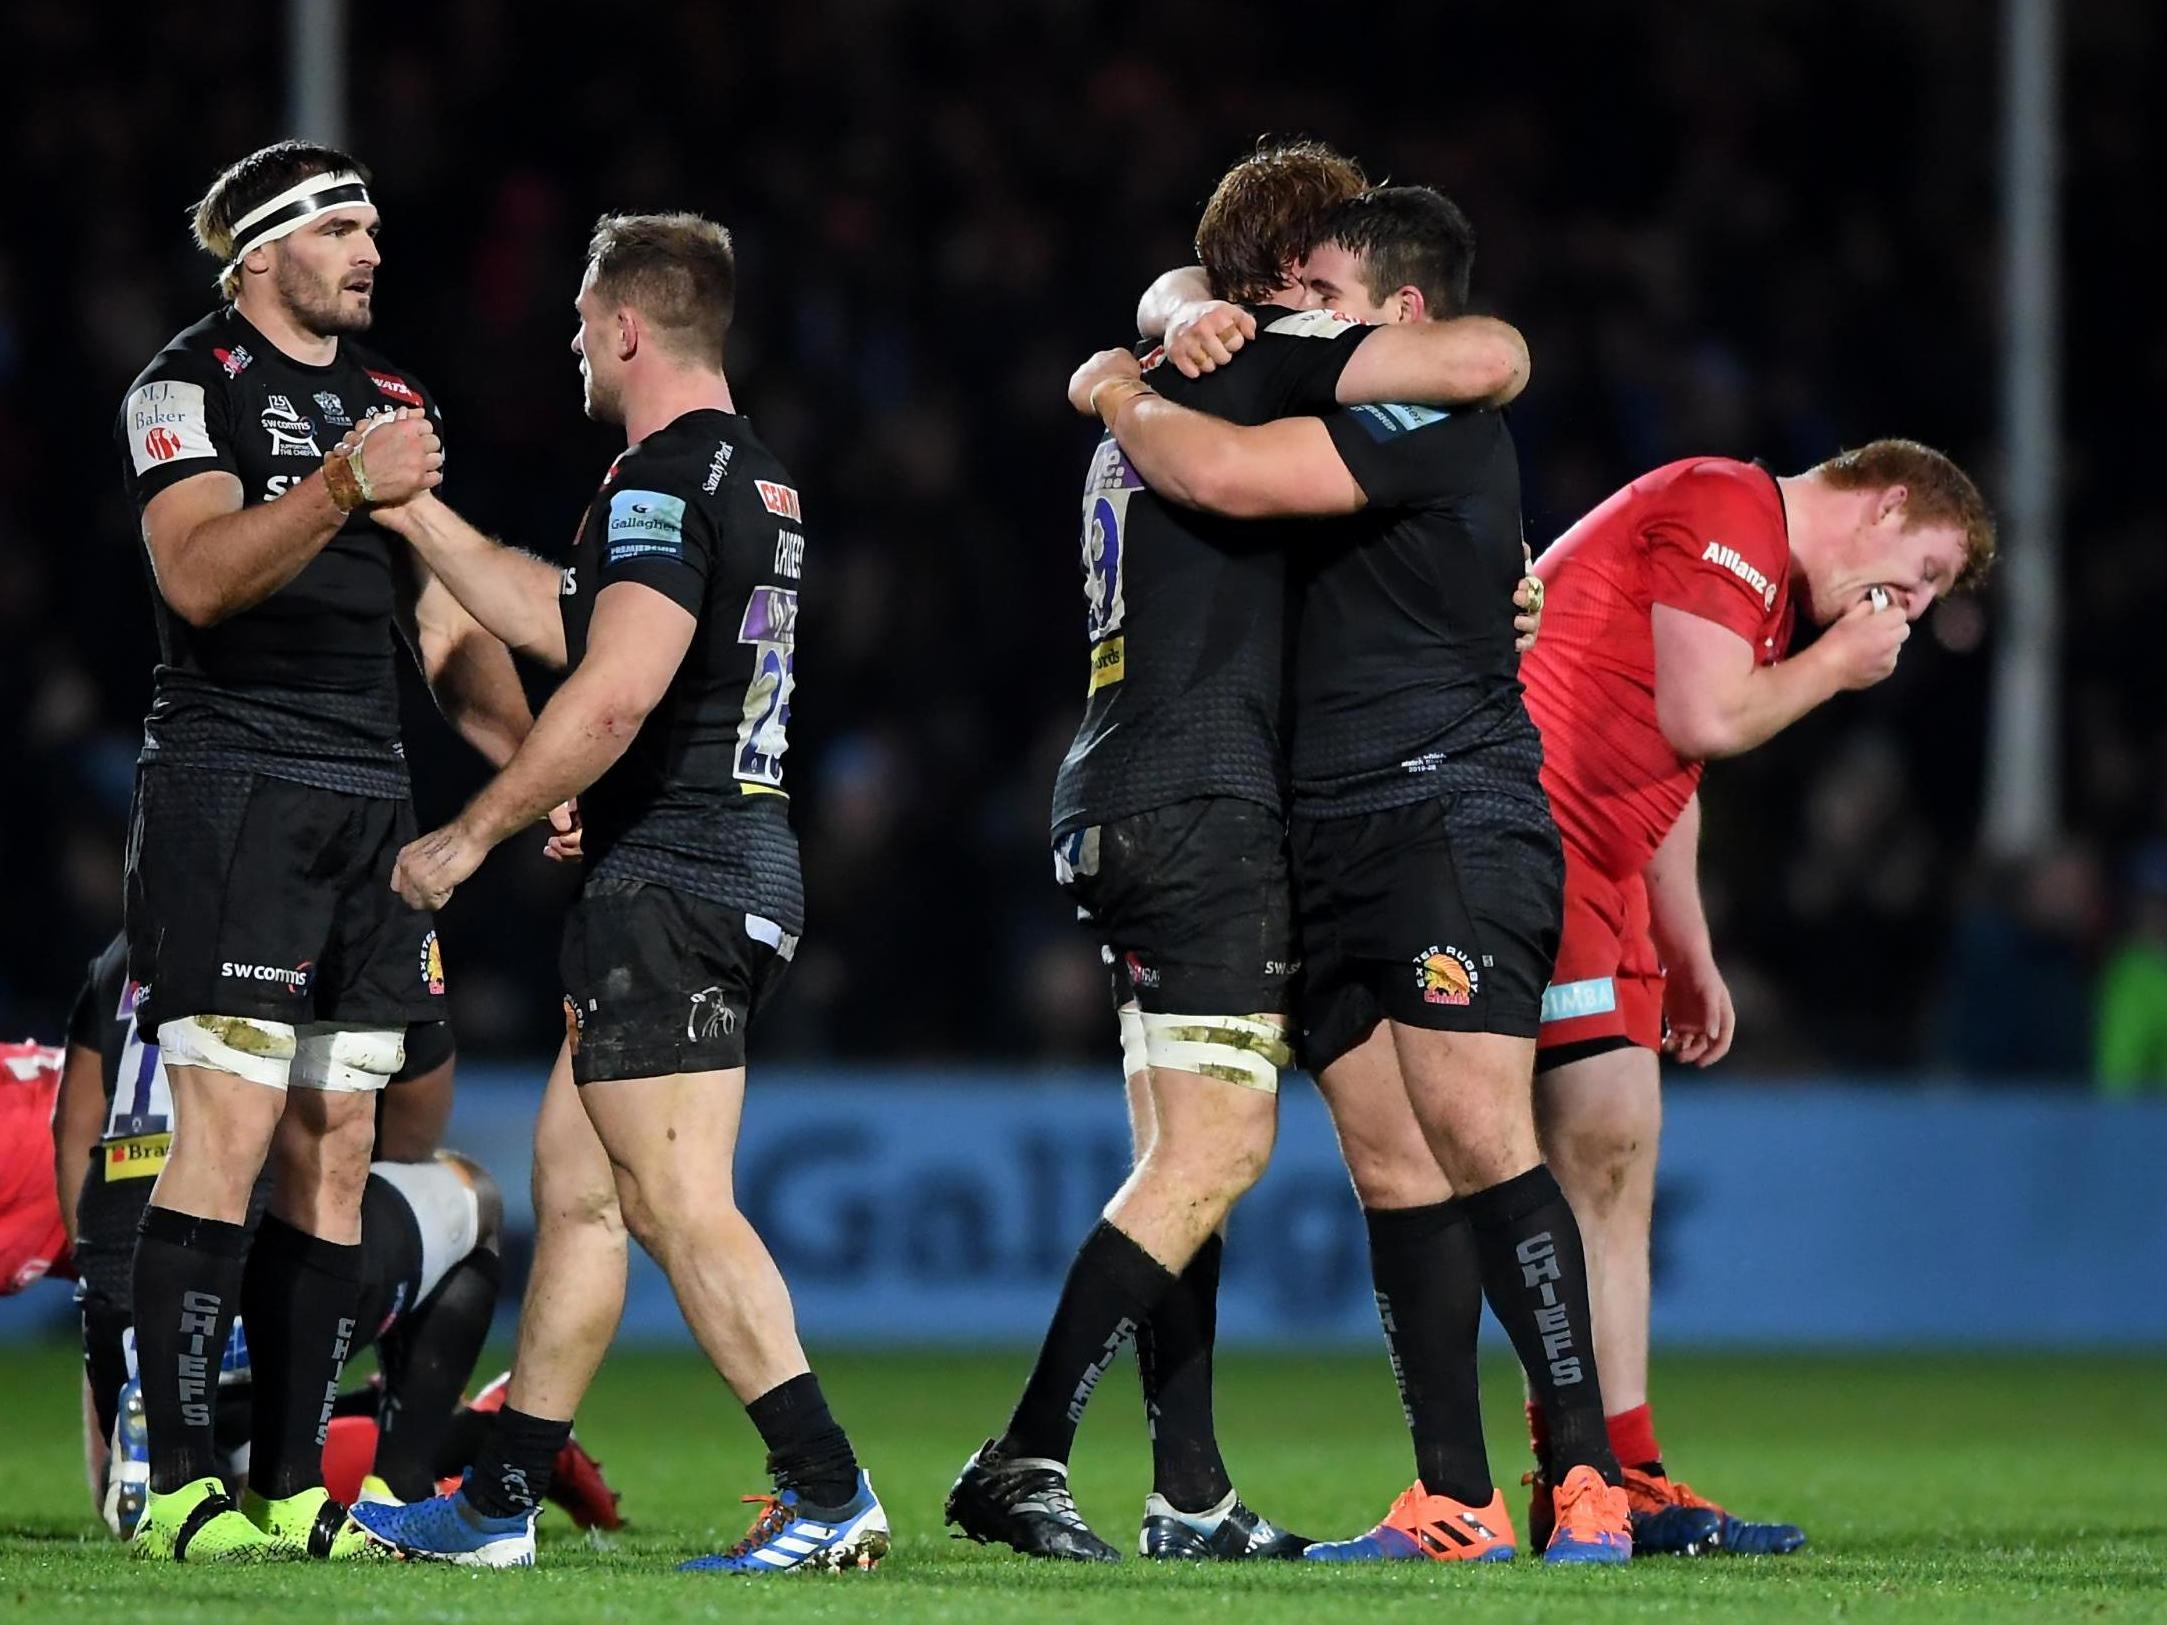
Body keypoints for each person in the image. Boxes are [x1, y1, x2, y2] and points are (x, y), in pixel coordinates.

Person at [944, 143, 1540, 1565]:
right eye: (1328, 275)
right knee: (1216, 1150)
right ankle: (1021, 1455)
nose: (1347, 307)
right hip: (1204, 800)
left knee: (1176, 1159)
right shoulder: (1254, 360)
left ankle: (1189, 1488)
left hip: (1113, 785)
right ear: (1287, 283)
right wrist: (1144, 345)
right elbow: (1484, 360)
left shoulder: (1173, 368)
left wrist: (1129, 348)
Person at [1066, 185, 1643, 1565]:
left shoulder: (1427, 413)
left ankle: (1587, 1483)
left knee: (1479, 1137)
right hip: (1319, 829)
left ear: (1396, 312)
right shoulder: (1317, 404)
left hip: (1441, 813)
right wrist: (1168, 309)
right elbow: (1195, 315)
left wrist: (1112, 389)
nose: (1291, 313)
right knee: (1391, 1168)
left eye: (1316, 291)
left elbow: (1220, 475)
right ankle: (1449, 1496)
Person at [345, 212, 885, 1575]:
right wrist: (410, 510)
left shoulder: (656, 479)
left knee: (674, 1200)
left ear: (627, 326)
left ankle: (826, 1492)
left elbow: (617, 685)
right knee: (579, 1196)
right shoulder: (744, 475)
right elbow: (555, 613)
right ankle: (498, 1503)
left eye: (583, 323)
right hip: (717, 861)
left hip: (678, 880)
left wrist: (473, 833)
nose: (573, 344)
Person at [113, 139, 531, 1562]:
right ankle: (175, 1484)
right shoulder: (186, 384)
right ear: (260, 254)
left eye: (371, 227)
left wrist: (528, 773)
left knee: (334, 1143)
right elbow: (199, 575)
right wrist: (345, 486)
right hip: (236, 785)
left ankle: (293, 1489)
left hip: (369, 798)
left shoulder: (394, 403)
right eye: (339, 228)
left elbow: (447, 629)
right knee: (224, 1134)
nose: (368, 250)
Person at [1514, 438, 1994, 1552]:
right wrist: (1837, 666)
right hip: (1538, 833)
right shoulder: (1726, 502)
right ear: (1882, 508)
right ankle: (1566, 1468)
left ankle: (1623, 1469)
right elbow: (1707, 719)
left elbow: (1673, 766)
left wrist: (1687, 943)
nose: (1906, 607)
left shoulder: (1767, 589)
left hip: (1606, 859)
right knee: (1572, 1159)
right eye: (1917, 573)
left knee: (1616, 1163)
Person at [52, 932, 522, 1535]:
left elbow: (74, 1130)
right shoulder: (334, 914)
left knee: (200, 1486)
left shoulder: (134, 936)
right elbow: (412, 1138)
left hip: (124, 1309)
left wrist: (102, 1289)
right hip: (247, 1280)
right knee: (471, 1194)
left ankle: (172, 1419)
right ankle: (400, 1486)